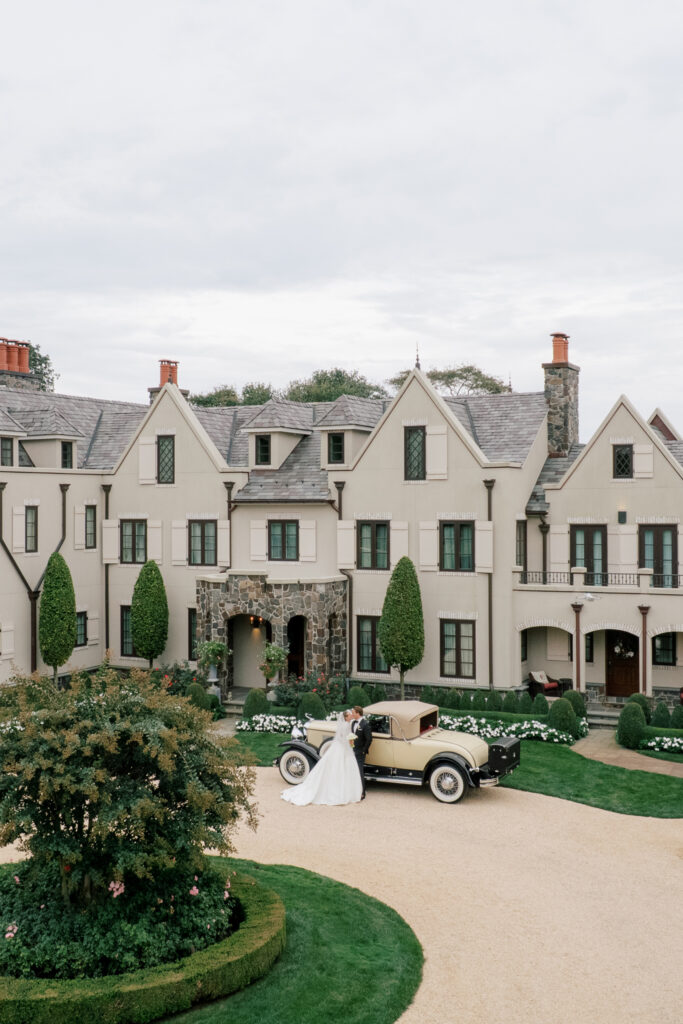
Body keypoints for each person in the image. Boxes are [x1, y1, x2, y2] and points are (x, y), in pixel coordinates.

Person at [281, 711, 363, 806]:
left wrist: (350, 741)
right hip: (342, 747)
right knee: (340, 767)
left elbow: (342, 737)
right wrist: (350, 742)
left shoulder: (347, 724)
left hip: (340, 747)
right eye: (350, 715)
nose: (352, 716)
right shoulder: (346, 725)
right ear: (346, 717)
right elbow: (343, 738)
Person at [350, 705, 373, 800]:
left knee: (359, 772)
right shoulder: (352, 723)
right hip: (352, 750)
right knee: (352, 771)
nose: (352, 714)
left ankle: (362, 792)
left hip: (360, 752)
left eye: (353, 713)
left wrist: (363, 750)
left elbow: (369, 739)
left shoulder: (365, 724)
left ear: (358, 713)